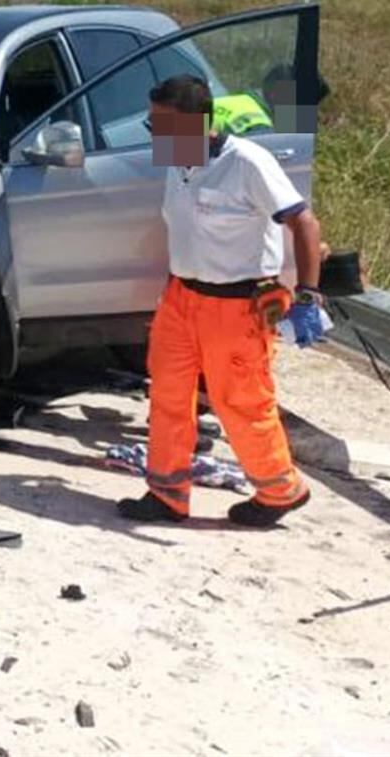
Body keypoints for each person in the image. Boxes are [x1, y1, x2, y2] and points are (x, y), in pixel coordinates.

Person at [117, 74, 325, 528]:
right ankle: (167, 494)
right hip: (181, 300)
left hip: (236, 308)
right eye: (154, 128)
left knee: (242, 403)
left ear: (199, 124)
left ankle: (280, 490)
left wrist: (308, 295)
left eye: (164, 128)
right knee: (169, 396)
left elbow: (304, 224)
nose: (157, 138)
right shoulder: (179, 163)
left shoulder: (247, 163)